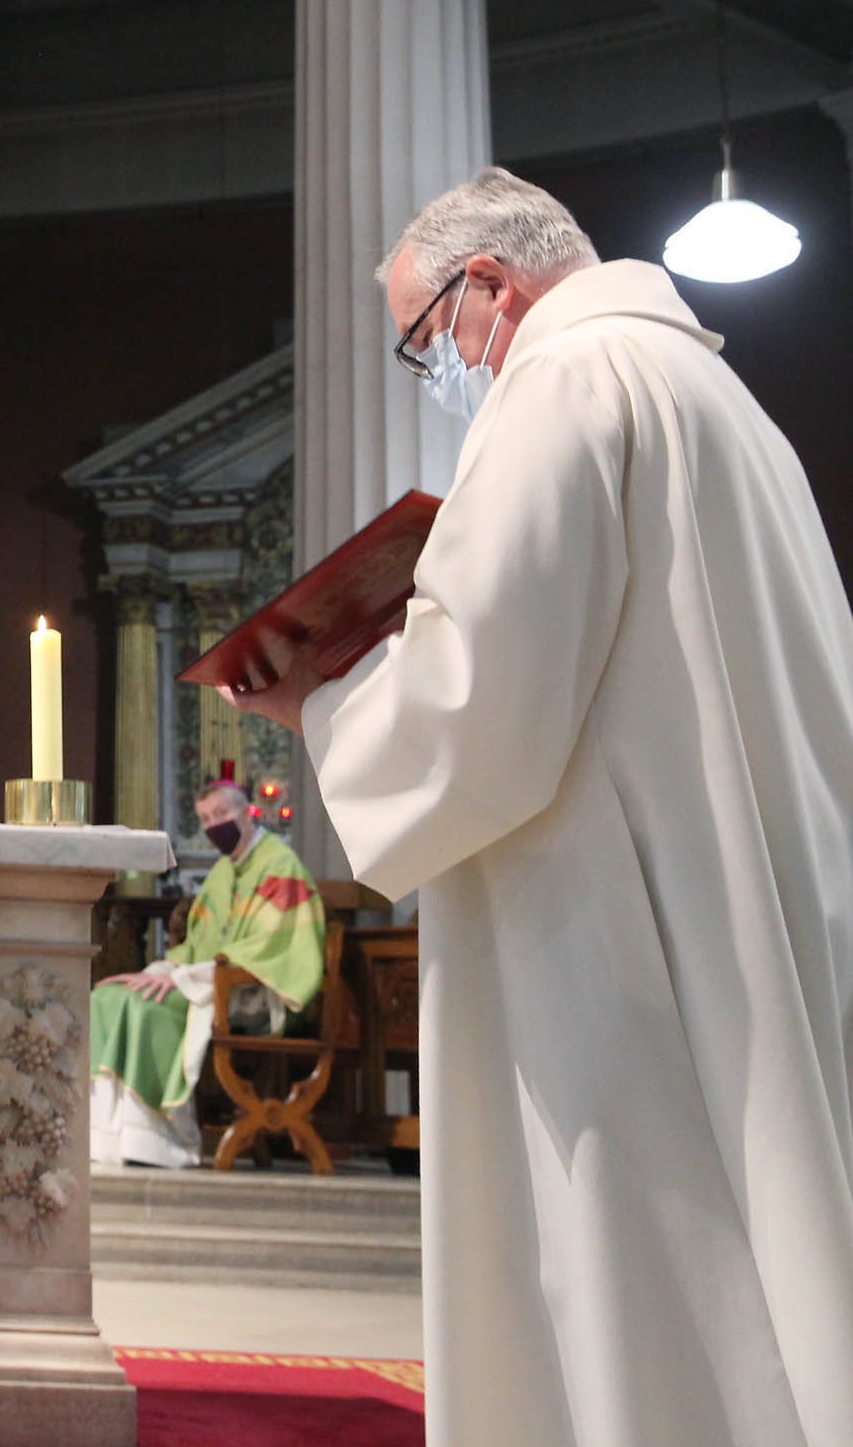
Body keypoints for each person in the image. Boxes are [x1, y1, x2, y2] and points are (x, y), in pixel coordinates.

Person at [230, 168, 853, 1447]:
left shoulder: (561, 384)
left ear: (490, 289)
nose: (438, 369)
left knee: (639, 1273)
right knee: (764, 1242)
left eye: (424, 339)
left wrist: (323, 708)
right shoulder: (731, 408)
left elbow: (477, 700)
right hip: (748, 904)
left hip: (618, 931)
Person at [88, 780, 326, 1168]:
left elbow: (268, 949)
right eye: (205, 818)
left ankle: (160, 1138)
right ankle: (111, 1137)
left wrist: (181, 978)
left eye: (222, 814)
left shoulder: (281, 866)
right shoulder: (221, 873)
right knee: (108, 998)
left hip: (253, 994)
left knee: (148, 1010)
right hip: (208, 983)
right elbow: (194, 946)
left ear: (246, 811)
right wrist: (161, 970)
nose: (214, 824)